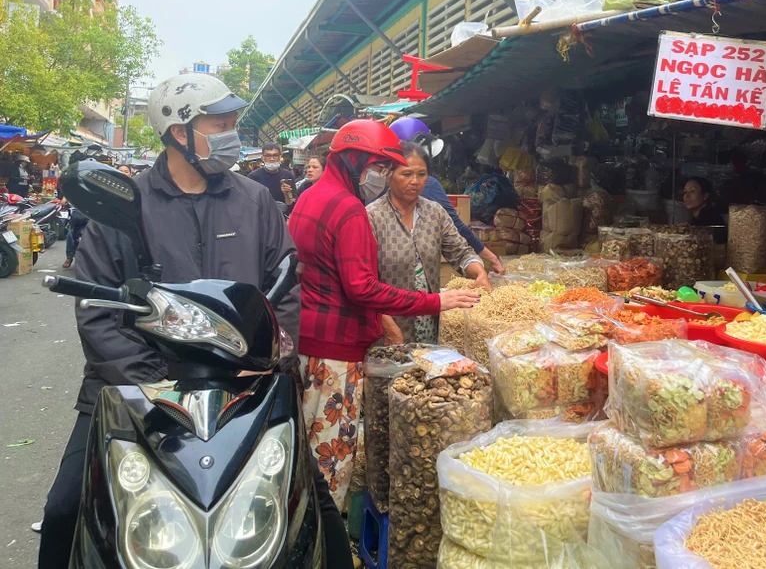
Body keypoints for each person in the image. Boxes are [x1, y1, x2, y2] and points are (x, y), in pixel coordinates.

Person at [38, 74, 352, 569]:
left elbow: (285, 289)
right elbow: (97, 312)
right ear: (178, 132)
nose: (232, 132)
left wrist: (271, 356)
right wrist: (152, 381)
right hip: (132, 390)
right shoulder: (125, 204)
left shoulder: (255, 202)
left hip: (244, 385)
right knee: (63, 510)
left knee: (315, 508)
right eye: (220, 123)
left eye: (233, 122)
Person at [288, 120, 480, 510]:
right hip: (338, 347)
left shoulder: (311, 197)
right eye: (379, 166)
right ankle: (330, 539)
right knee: (332, 455)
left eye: (418, 173)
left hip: (310, 337)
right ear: (356, 162)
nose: (382, 174)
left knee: (307, 449)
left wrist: (476, 270)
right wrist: (435, 302)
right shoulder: (353, 212)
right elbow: (361, 288)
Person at [368, 141, 490, 344]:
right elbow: (365, 285)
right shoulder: (372, 217)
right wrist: (387, 326)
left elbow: (460, 252)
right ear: (388, 175)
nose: (415, 181)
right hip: (390, 325)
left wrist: (479, 271)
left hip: (430, 322)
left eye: (421, 174)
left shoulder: (434, 212)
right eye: (406, 174)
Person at [388, 117, 506, 275]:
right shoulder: (429, 185)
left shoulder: (375, 195)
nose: (415, 181)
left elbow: (457, 249)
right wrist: (490, 257)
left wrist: (476, 265)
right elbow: (457, 225)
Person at [682, 176, 727, 242]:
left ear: (705, 195)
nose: (687, 196)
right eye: (685, 192)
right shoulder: (697, 218)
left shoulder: (710, 219)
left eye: (692, 191)